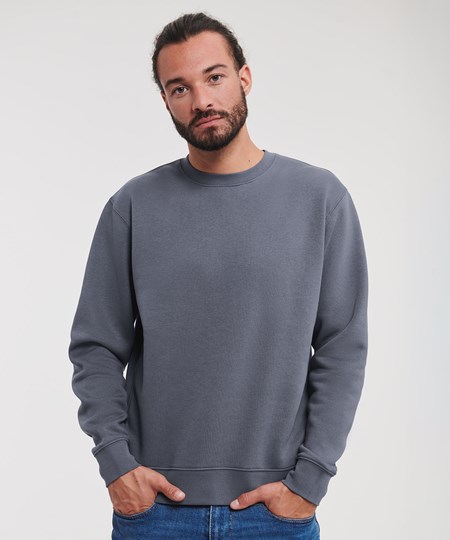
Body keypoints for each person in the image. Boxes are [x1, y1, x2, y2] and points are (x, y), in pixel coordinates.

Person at [68, 11, 368, 539]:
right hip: (155, 511)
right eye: (179, 87)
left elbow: (342, 348)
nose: (201, 100)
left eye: (214, 77)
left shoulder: (320, 200)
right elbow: (95, 347)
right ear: (166, 101)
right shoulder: (133, 207)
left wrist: (309, 481)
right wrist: (116, 465)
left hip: (276, 511)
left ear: (244, 78)